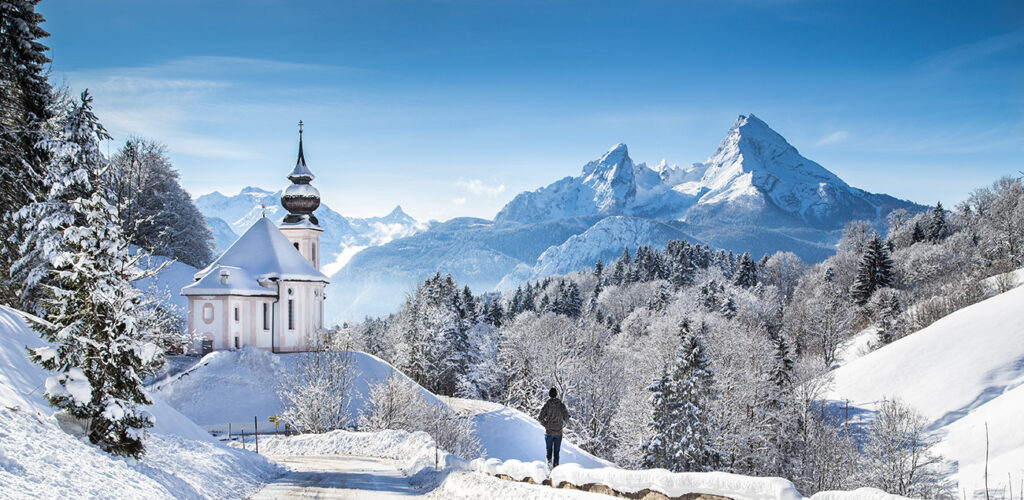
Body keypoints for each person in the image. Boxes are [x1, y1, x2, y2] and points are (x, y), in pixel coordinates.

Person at [538, 387, 570, 468]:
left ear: (549, 395)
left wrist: (546, 425)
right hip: (558, 433)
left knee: (549, 451)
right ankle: (556, 468)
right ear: (556, 394)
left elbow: (540, 418)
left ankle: (549, 468)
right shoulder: (561, 405)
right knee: (556, 452)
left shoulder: (547, 404)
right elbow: (566, 418)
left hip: (549, 433)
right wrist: (561, 425)